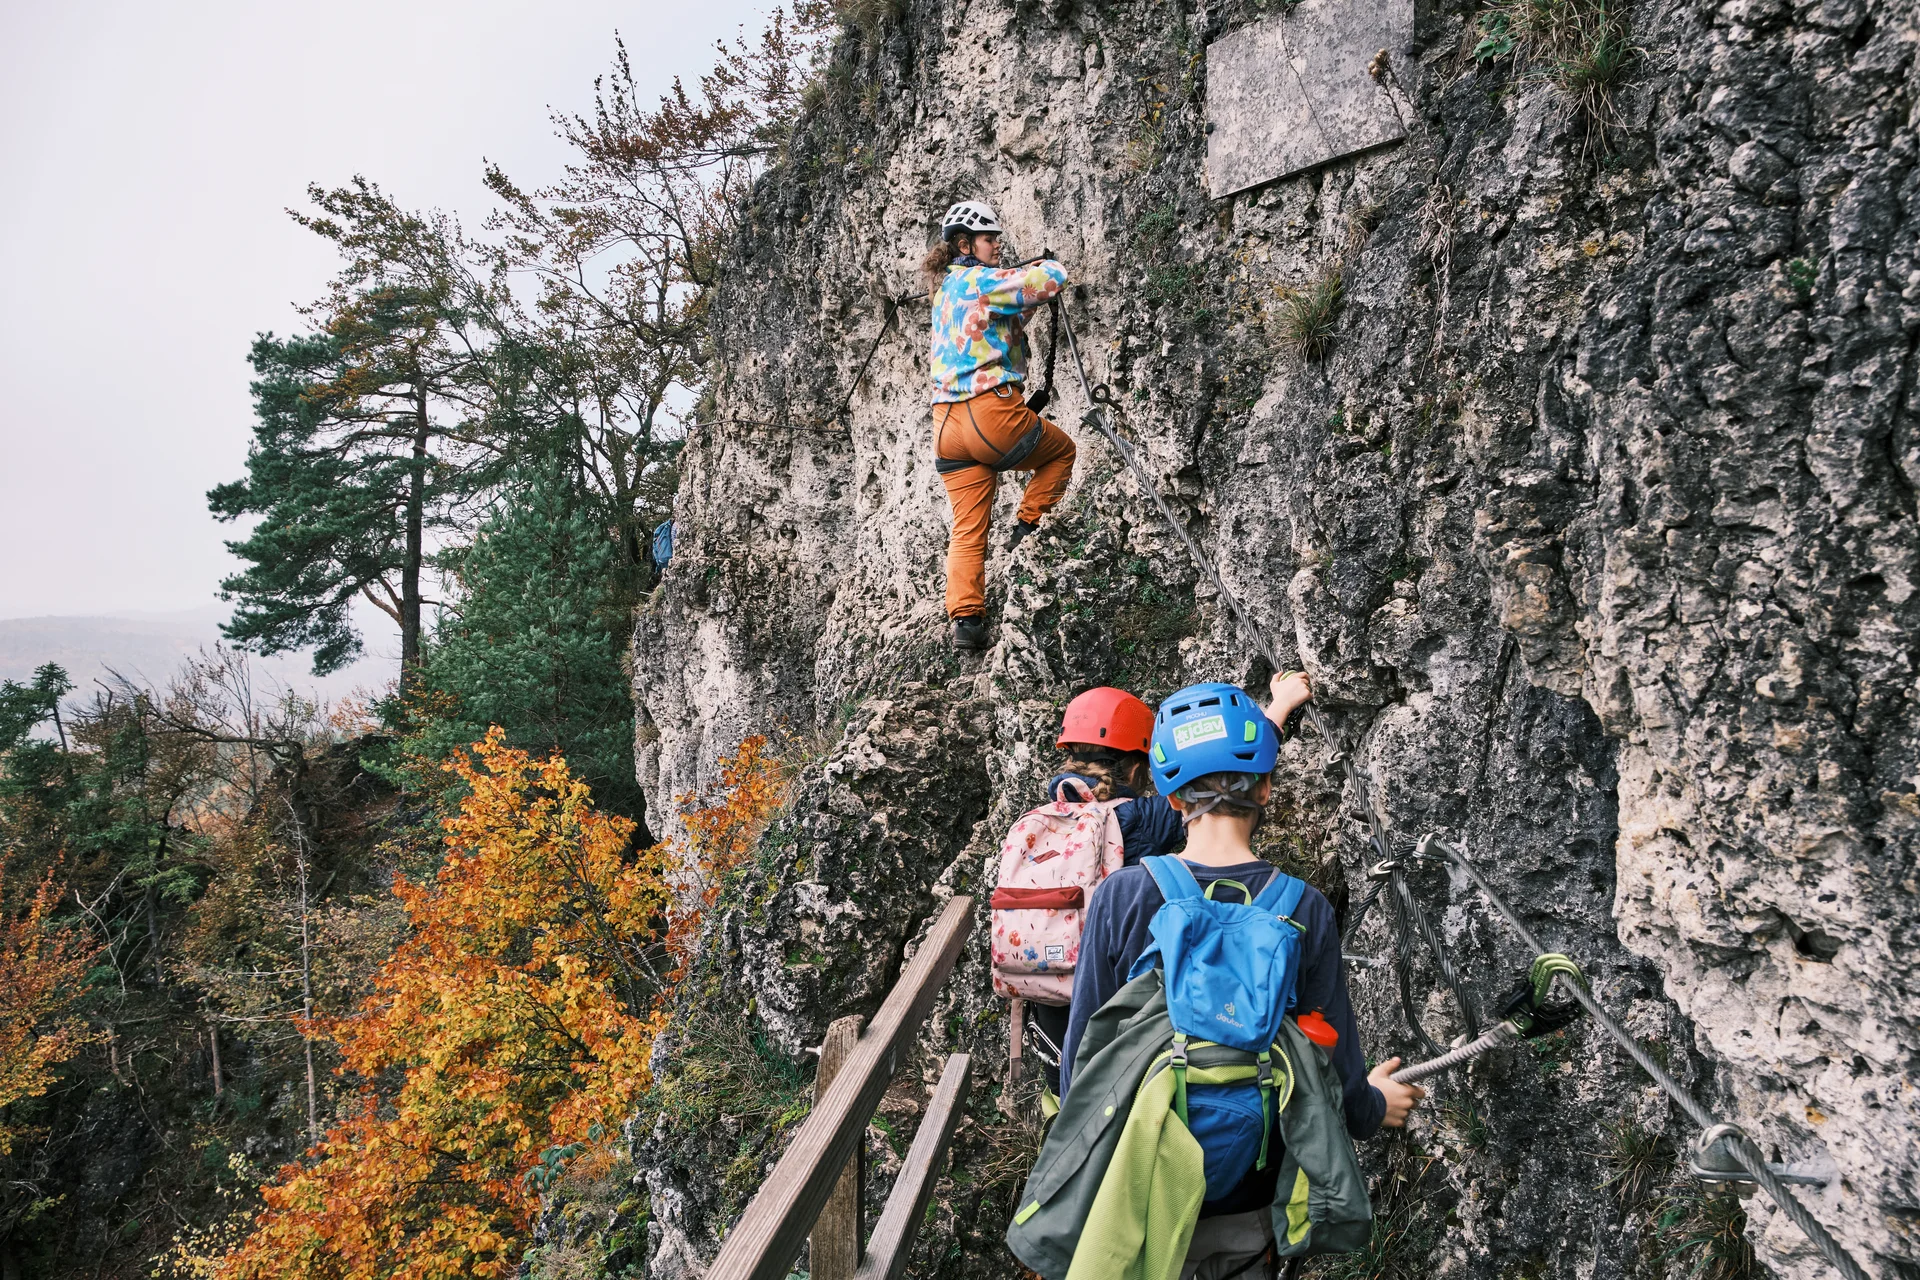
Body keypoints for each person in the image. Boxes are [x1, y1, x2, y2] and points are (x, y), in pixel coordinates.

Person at [1060, 672, 1426, 1277]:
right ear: (1267, 791)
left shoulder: (1123, 895)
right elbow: (1330, 1056)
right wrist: (1371, 1106)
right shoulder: (1302, 906)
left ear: (1171, 798)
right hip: (1249, 1199)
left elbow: (1085, 1061)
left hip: (1139, 1187)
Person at [924, 199, 1075, 650]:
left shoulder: (945, 291)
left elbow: (998, 319)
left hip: (945, 426)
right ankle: (1027, 528)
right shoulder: (982, 279)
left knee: (967, 528)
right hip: (990, 413)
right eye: (990, 239)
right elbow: (1052, 279)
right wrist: (1041, 263)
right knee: (1062, 452)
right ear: (966, 244)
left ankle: (967, 623)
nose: (997, 246)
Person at [1025, 686, 1188, 1099]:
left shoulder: (1045, 817)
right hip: (1106, 998)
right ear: (1135, 770)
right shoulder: (1142, 818)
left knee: (1063, 1098)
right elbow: (1215, 790)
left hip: (1046, 995)